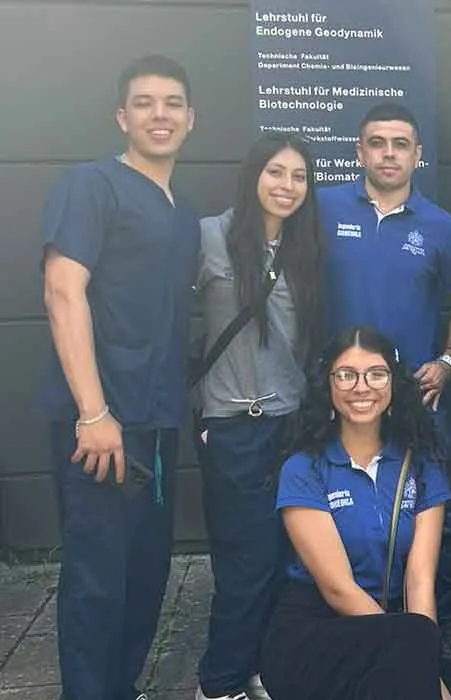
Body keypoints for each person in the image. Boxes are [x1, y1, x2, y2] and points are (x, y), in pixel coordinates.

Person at [39, 55, 198, 700]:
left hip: (157, 423)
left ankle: (120, 686)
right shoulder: (92, 186)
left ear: (191, 118)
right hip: (99, 424)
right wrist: (93, 411)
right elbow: (61, 292)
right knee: (97, 579)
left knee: (145, 572)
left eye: (171, 103)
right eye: (144, 102)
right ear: (122, 116)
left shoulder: (181, 212)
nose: (159, 114)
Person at [259, 326, 451, 700]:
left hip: (397, 630)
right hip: (313, 634)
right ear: (328, 385)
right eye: (346, 375)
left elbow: (420, 582)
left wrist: (424, 664)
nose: (361, 387)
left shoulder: (420, 465)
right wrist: (417, 661)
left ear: (394, 385)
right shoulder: (304, 468)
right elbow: (338, 589)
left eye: (376, 373)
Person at [317, 102, 451, 642]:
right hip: (336, 391)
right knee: (337, 504)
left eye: (399, 144)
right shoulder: (322, 208)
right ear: (359, 151)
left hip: (413, 395)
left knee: (438, 512)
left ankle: (441, 624)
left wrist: (448, 362)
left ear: (418, 155)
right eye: (376, 142)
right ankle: (345, 617)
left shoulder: (443, 227)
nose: (388, 153)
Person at [193, 133, 326, 700]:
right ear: (253, 175)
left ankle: (261, 669)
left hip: (290, 426)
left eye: (298, 177)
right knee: (245, 562)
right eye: (276, 172)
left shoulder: (306, 251)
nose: (286, 186)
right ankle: (219, 682)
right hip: (231, 425)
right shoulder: (208, 237)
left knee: (284, 560)